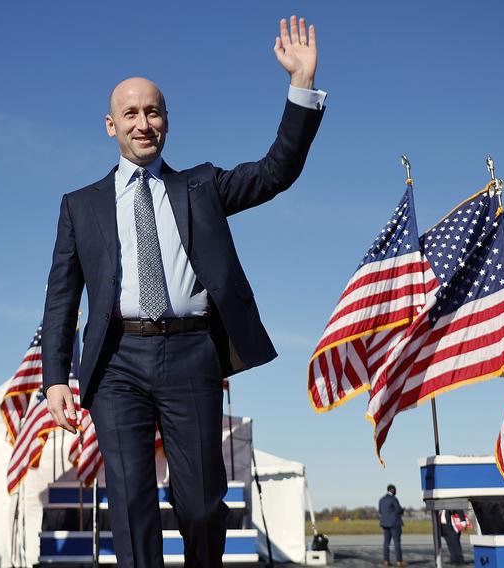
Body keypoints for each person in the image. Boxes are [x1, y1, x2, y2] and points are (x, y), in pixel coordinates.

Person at [41, 15, 325, 568]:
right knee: (130, 503)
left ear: (166, 120)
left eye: (152, 112)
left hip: (192, 353)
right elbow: (61, 295)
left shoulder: (202, 186)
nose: (142, 123)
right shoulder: (80, 205)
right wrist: (56, 376)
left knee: (199, 506)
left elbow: (276, 171)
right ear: (110, 125)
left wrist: (301, 86)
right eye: (131, 113)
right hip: (115, 363)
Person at [379, 484, 406, 567]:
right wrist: (402, 510)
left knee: (386, 543)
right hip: (394, 523)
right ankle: (399, 561)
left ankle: (386, 560)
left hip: (385, 524)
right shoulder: (393, 499)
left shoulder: (382, 499)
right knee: (397, 542)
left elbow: (380, 511)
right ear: (393, 490)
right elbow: (398, 509)